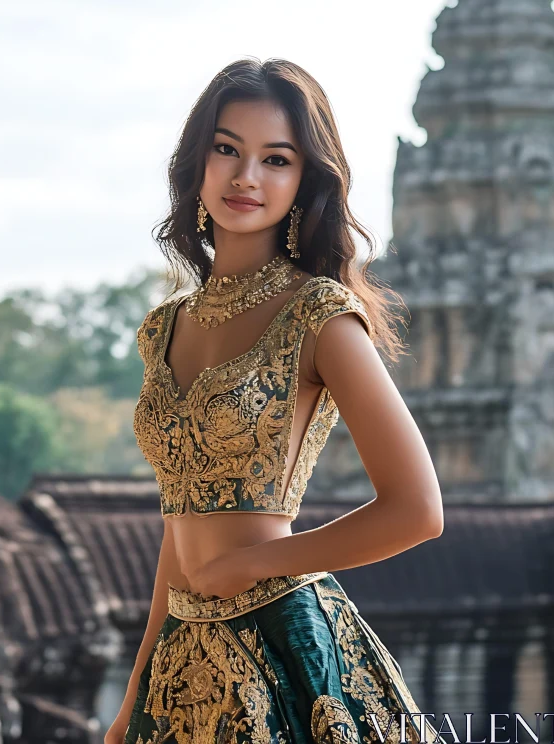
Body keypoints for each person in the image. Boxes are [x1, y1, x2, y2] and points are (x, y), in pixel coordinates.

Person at [105, 57, 445, 744]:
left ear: (304, 181)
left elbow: (417, 510)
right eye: (227, 149)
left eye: (276, 159)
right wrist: (134, 692)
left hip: (284, 650)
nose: (246, 177)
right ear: (197, 160)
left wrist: (252, 563)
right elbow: (182, 523)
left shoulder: (318, 315)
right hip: (181, 658)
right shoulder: (163, 327)